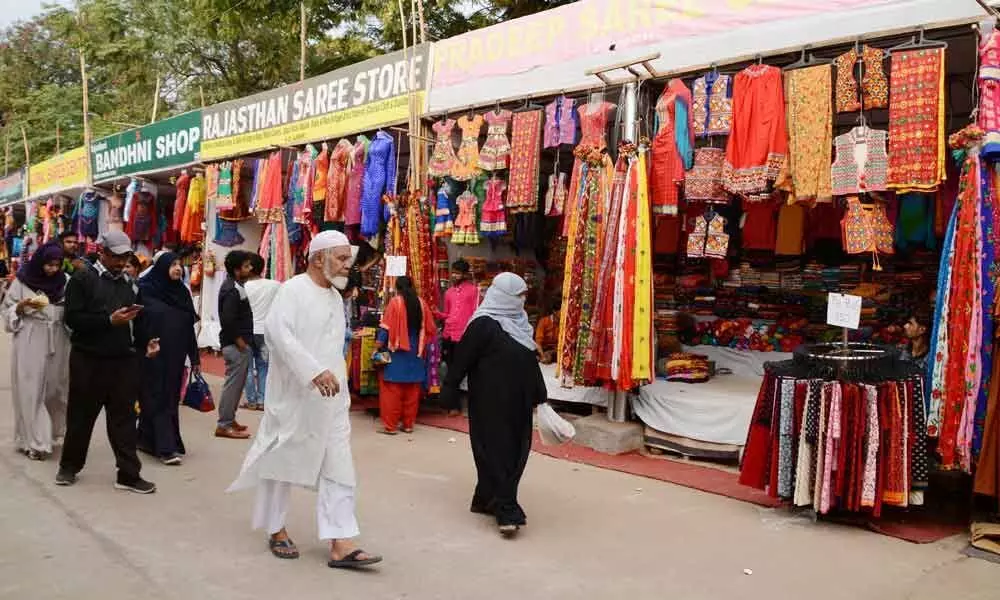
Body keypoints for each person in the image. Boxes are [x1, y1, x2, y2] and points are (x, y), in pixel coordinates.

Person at [228, 230, 382, 569]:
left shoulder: (333, 297)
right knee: (281, 461)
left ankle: (341, 541)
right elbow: (279, 335)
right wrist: (313, 371)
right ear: (318, 259)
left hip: (331, 399)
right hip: (295, 397)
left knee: (339, 464)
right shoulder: (293, 290)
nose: (347, 266)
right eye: (341, 259)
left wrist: (336, 378)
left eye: (348, 259)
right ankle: (275, 527)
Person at [441, 273, 547, 537]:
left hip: (518, 401)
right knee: (498, 451)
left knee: (516, 450)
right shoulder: (483, 325)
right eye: (519, 295)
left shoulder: (521, 324)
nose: (523, 299)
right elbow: (462, 360)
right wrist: (449, 390)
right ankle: (506, 509)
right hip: (490, 401)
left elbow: (528, 360)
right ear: (505, 296)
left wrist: (540, 396)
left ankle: (485, 498)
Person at [56, 230, 159, 494]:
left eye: (125, 256)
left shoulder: (130, 283)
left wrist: (147, 340)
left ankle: (128, 474)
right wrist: (107, 321)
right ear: (103, 252)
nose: (121, 262)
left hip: (123, 361)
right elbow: (73, 319)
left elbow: (139, 319)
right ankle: (69, 467)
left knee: (124, 420)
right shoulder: (82, 279)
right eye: (115, 256)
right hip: (88, 359)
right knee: (81, 417)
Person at [2, 242, 70, 460]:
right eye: (48, 264)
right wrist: (20, 308)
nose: (52, 269)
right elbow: (7, 309)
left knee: (53, 388)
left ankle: (48, 433)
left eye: (57, 265)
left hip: (58, 338)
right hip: (30, 336)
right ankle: (35, 442)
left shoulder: (65, 282)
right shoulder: (22, 281)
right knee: (31, 389)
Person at [136, 252, 200, 466]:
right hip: (153, 353)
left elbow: (189, 328)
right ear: (162, 266)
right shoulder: (145, 289)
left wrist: (195, 358)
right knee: (157, 395)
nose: (178, 268)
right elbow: (137, 323)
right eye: (172, 264)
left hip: (176, 355)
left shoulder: (181, 292)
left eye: (180, 264)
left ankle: (146, 440)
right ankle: (166, 448)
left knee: (169, 397)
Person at [376, 276, 437, 435]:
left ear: (397, 288)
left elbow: (386, 328)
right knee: (412, 391)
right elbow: (431, 329)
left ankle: (391, 426)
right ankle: (408, 425)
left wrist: (377, 346)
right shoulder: (422, 303)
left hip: (397, 352)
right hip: (416, 351)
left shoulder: (395, 303)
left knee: (392, 392)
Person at [217, 249, 255, 439]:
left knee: (237, 385)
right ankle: (224, 424)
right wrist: (241, 343)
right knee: (233, 385)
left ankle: (229, 420)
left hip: (238, 345)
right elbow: (228, 319)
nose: (250, 269)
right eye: (246, 266)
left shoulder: (236, 286)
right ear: (236, 270)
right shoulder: (232, 289)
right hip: (235, 346)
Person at [437, 259, 479, 415]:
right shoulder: (448, 293)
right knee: (450, 370)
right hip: (449, 334)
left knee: (461, 370)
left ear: (465, 274)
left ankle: (459, 405)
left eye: (457, 273)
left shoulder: (473, 291)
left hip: (465, 336)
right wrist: (437, 314)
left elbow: (476, 312)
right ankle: (453, 405)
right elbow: (447, 313)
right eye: (453, 272)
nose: (454, 275)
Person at [243, 253, 280, 411]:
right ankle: (262, 399)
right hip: (265, 331)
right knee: (264, 366)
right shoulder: (274, 285)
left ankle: (251, 399)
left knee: (248, 367)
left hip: (248, 331)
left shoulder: (243, 287)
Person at [902, 307, 931, 372]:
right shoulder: (903, 351)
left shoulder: (930, 359)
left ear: (922, 329)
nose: (905, 326)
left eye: (910, 324)